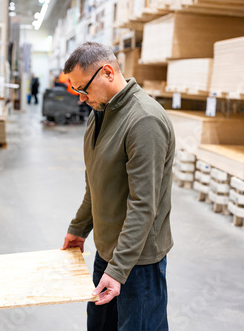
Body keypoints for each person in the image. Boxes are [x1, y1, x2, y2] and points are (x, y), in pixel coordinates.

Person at [61, 42, 175, 331]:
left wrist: (119, 269)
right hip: (108, 251)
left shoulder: (144, 121)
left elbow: (143, 205)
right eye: (76, 91)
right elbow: (96, 184)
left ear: (108, 72)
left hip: (137, 264)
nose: (80, 99)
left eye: (83, 89)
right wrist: (78, 228)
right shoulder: (98, 115)